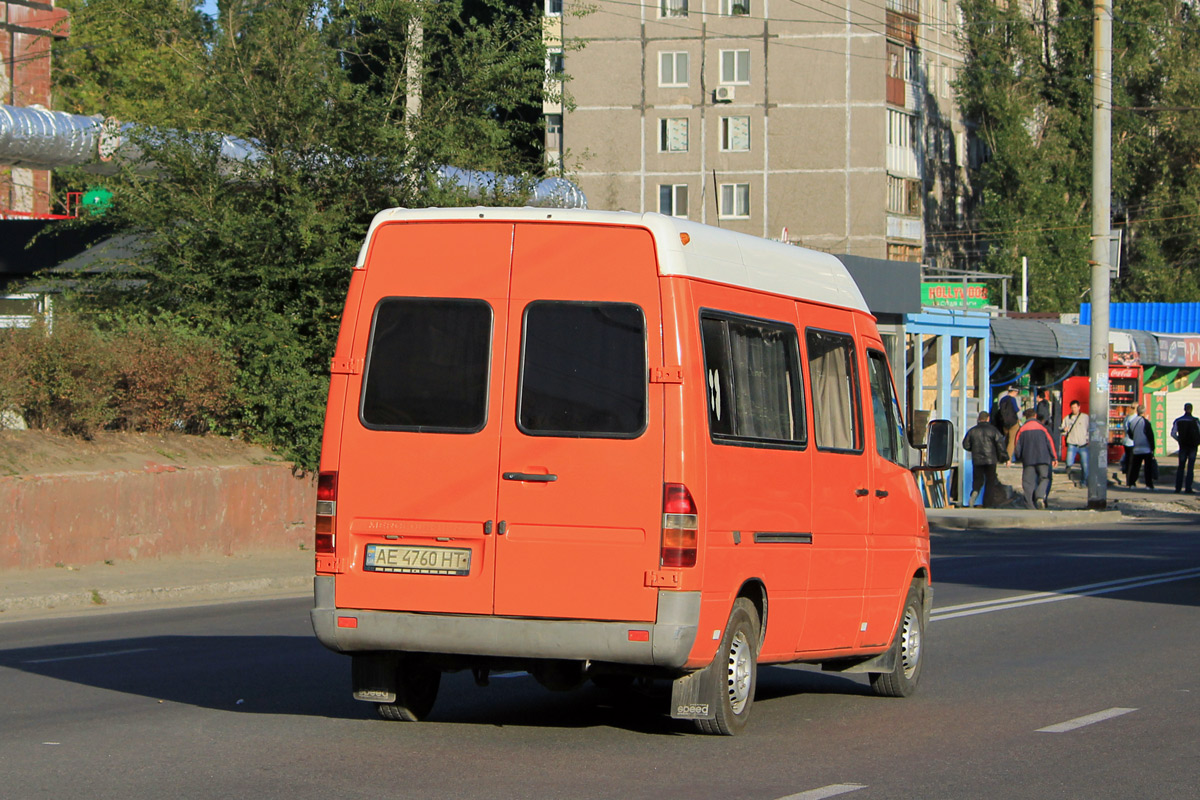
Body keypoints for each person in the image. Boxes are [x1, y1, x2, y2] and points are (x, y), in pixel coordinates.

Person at [1014, 408, 1058, 509]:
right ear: (1035, 416)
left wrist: (1019, 457)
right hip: (1043, 458)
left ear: (1026, 417)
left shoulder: (1022, 429)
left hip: (1028, 459)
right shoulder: (1043, 428)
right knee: (1044, 478)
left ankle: (1030, 504)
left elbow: (1017, 445)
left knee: (1028, 482)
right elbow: (1050, 443)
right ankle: (1039, 496)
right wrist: (1054, 457)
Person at [963, 410, 1008, 507]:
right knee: (990, 481)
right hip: (991, 460)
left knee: (978, 479)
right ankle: (987, 503)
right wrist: (1004, 458)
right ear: (988, 419)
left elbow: (965, 445)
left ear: (978, 419)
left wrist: (974, 449)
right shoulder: (993, 430)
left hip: (977, 459)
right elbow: (1000, 445)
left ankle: (974, 492)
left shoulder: (972, 430)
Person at [1171, 403, 1200, 494]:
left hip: (1183, 446)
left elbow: (1173, 433)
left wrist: (1179, 440)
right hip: (1192, 446)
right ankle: (1188, 488)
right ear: (1191, 409)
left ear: (1184, 409)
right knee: (1190, 467)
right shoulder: (1195, 421)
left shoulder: (1178, 420)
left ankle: (1178, 488)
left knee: (1181, 467)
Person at [1125, 404, 1156, 490]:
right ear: (1144, 411)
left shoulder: (1133, 422)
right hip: (1146, 448)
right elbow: (1150, 436)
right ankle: (1148, 484)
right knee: (1147, 468)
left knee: (1135, 467)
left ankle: (1132, 483)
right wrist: (1153, 447)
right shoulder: (1145, 422)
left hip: (1136, 448)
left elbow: (1130, 434)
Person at [1061, 399, 1090, 487]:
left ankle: (1084, 481)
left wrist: (1087, 439)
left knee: (1085, 465)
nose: (1073, 409)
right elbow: (1062, 430)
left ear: (1079, 407)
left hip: (1083, 444)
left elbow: (1089, 429)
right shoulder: (1067, 418)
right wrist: (1063, 430)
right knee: (1069, 462)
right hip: (1072, 443)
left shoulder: (1085, 417)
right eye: (1072, 408)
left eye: (1075, 407)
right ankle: (1070, 474)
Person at [997, 386, 1021, 461]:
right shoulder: (1012, 399)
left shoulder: (1002, 399)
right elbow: (1016, 409)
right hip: (1013, 422)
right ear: (1014, 392)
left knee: (1006, 439)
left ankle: (1001, 456)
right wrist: (1019, 408)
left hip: (1004, 422)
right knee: (1012, 441)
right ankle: (1008, 459)